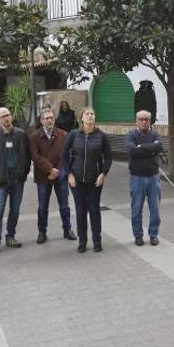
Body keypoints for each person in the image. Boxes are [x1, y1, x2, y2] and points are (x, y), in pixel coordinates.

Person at [62, 107, 112, 253]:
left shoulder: (101, 136)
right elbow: (64, 156)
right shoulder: (73, 135)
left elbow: (108, 157)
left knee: (94, 209)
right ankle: (82, 241)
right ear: (81, 118)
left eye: (92, 114)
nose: (90, 116)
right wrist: (69, 174)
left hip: (95, 179)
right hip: (77, 180)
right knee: (80, 210)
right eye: (87, 114)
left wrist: (103, 174)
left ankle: (97, 241)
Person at [0, 107, 30, 257]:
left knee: (15, 210)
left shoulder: (21, 135)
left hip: (17, 179)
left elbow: (28, 155)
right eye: (2, 116)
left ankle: (10, 236)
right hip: (1, 180)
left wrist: (24, 172)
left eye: (8, 115)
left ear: (12, 116)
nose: (6, 118)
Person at [30, 108, 76, 244]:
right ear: (41, 120)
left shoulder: (64, 135)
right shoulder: (34, 136)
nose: (49, 120)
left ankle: (67, 230)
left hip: (60, 176)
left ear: (54, 119)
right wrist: (50, 169)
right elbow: (35, 157)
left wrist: (58, 171)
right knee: (43, 206)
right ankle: (42, 232)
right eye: (46, 118)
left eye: (51, 117)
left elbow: (67, 154)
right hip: (43, 176)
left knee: (64, 206)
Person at [126, 110, 163, 246]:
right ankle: (138, 235)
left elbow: (159, 146)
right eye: (141, 119)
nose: (144, 122)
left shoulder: (154, 133)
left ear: (150, 121)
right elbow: (131, 150)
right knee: (136, 209)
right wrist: (150, 150)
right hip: (137, 177)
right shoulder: (131, 135)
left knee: (155, 208)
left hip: (153, 177)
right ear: (136, 121)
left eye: (146, 119)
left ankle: (153, 234)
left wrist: (141, 147)